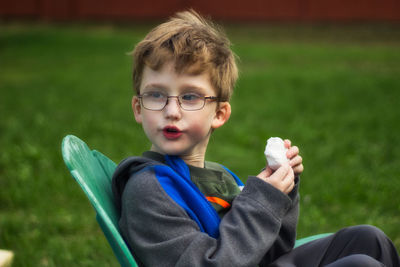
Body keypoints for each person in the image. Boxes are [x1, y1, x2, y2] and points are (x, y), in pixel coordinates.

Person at [112, 10, 400, 267]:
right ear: (138, 108)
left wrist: (281, 194)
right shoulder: (148, 189)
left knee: (368, 240)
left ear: (220, 114)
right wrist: (262, 201)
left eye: (189, 97)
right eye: (156, 95)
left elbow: (270, 252)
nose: (171, 111)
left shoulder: (219, 177)